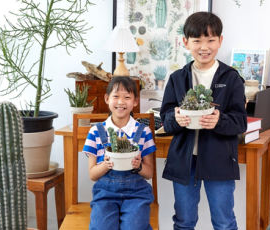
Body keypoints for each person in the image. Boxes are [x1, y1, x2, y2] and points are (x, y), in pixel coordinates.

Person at [160, 12, 247, 230]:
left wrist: (219, 120)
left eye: (210, 40)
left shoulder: (231, 78)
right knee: (183, 221)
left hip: (219, 160)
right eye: (197, 40)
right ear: (185, 42)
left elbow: (240, 122)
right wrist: (176, 118)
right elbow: (166, 118)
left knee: (224, 222)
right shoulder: (177, 78)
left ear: (220, 41)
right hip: (184, 161)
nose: (204, 47)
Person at [82, 76, 156, 230]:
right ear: (107, 98)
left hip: (137, 194)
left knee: (134, 227)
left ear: (135, 101)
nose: (121, 102)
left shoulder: (143, 131)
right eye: (116, 96)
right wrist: (106, 165)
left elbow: (149, 173)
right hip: (105, 194)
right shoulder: (96, 131)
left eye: (127, 97)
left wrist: (139, 166)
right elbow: (92, 175)